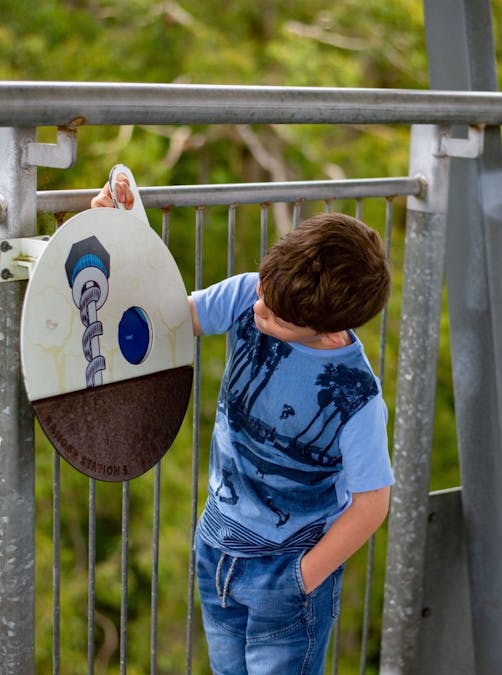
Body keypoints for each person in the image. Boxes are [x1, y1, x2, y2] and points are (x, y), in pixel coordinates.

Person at [92, 174, 394, 675]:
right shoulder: (250, 295)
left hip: (287, 575)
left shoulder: (356, 398)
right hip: (217, 551)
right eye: (262, 290)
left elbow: (372, 503)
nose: (258, 309)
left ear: (326, 327)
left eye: (274, 317)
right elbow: (166, 314)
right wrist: (123, 231)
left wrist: (301, 577)